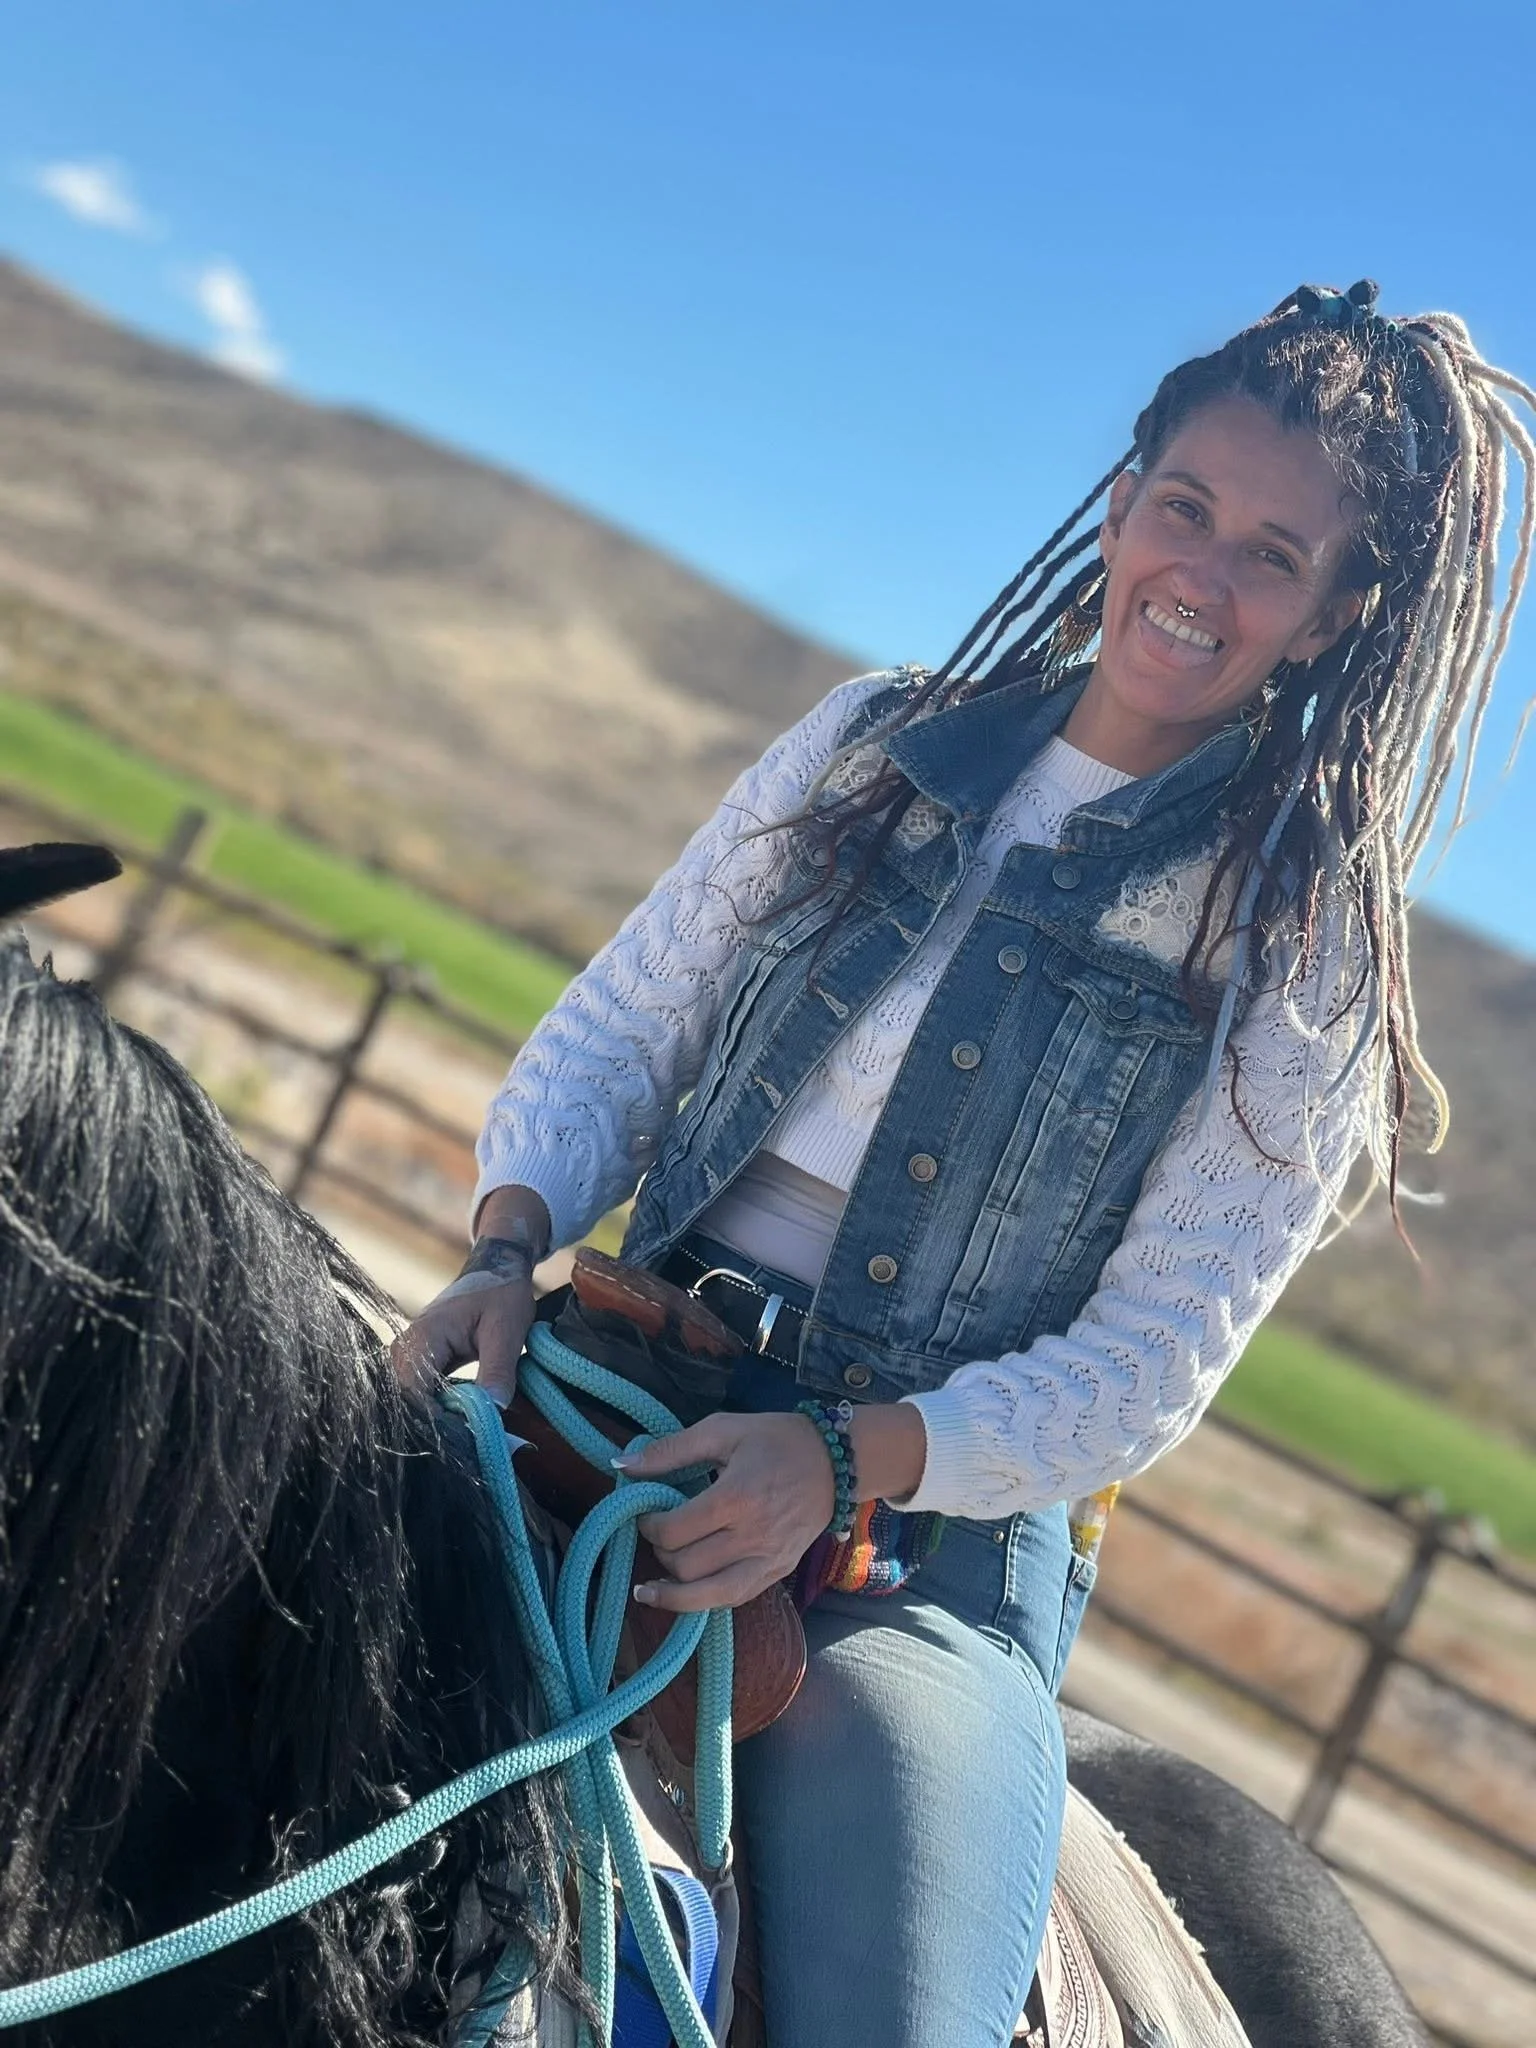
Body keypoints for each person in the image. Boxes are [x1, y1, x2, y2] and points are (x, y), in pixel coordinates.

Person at [398, 283, 1535, 2046]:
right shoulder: (871, 745)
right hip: (606, 1370)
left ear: (1330, 621)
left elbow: (1153, 1360)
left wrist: (843, 1461)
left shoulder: (1298, 942)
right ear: (1120, 503)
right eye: (1185, 510)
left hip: (922, 1554)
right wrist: (505, 1243)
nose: (1204, 575)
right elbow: (625, 1027)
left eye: (1272, 556)